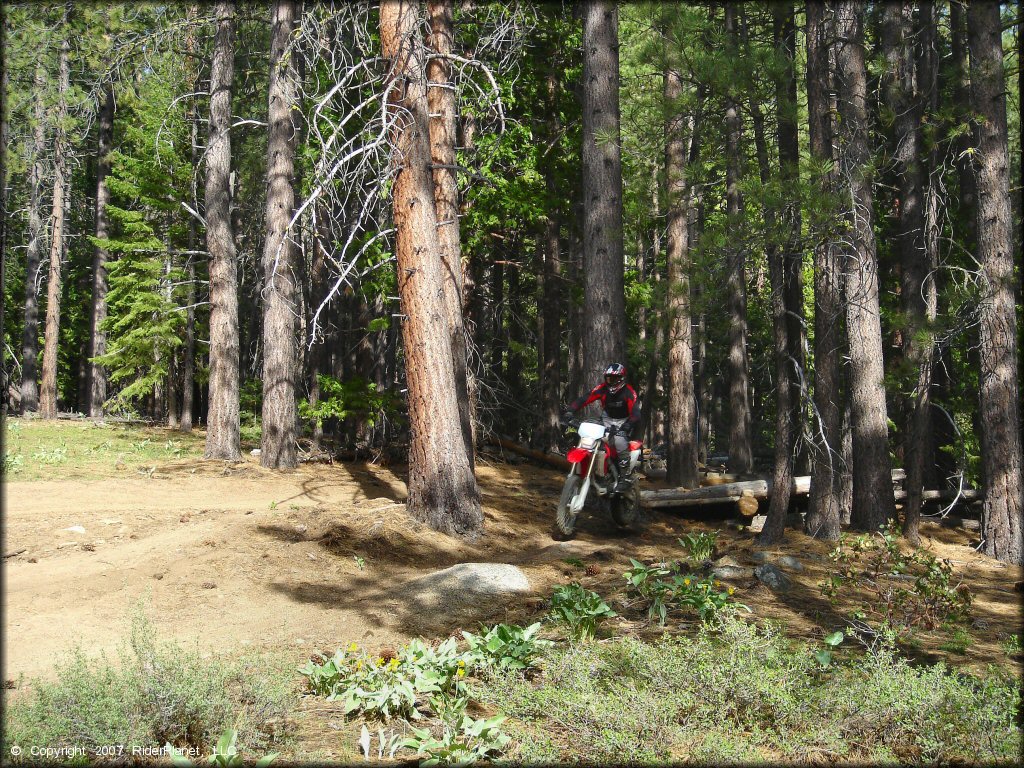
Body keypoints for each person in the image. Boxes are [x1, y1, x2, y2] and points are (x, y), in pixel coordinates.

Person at [562, 362, 641, 491]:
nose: (611, 381)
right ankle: (596, 472)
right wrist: (571, 411)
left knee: (620, 442)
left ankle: (625, 477)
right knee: (591, 437)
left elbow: (636, 413)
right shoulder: (602, 388)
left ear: (621, 378)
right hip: (606, 419)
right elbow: (585, 398)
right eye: (608, 378)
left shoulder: (628, 392)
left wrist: (627, 426)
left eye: (614, 378)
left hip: (624, 421)